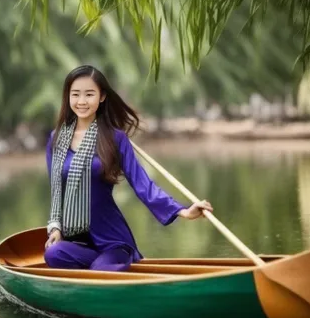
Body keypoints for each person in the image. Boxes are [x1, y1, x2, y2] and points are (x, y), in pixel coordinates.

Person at [44, 65, 213, 272]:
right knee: (53, 254)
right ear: (67, 97)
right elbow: (56, 192)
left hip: (112, 239)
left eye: (89, 94)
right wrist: (56, 227)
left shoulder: (115, 139)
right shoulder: (57, 139)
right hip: (77, 240)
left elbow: (143, 184)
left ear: (102, 97)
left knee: (102, 271)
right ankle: (100, 267)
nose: (81, 101)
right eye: (75, 94)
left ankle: (109, 265)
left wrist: (184, 211)